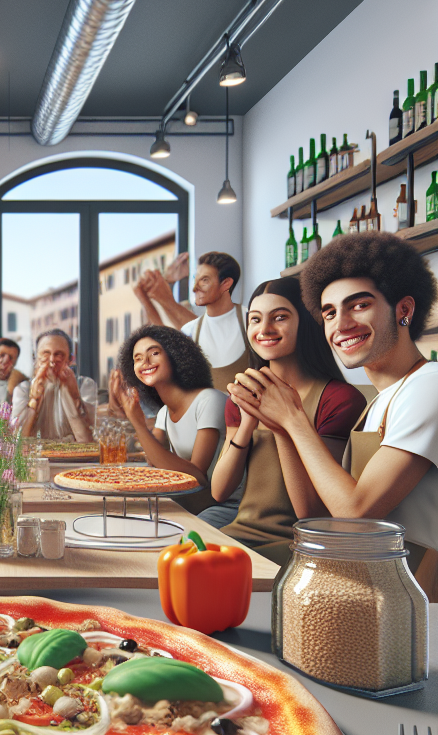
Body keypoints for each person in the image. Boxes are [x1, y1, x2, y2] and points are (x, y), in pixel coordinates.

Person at [229, 234, 438, 590]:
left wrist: (295, 419)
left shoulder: (428, 386)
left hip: (414, 594)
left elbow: (357, 514)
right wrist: (279, 425)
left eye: (358, 305)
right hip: (372, 577)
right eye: (329, 312)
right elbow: (313, 514)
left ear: (404, 310)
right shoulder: (380, 400)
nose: (340, 324)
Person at [211, 276, 366, 567]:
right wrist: (247, 422)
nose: (264, 329)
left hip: (300, 545)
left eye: (279, 317)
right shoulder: (242, 395)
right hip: (237, 536)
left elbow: (312, 513)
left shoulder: (338, 399)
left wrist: (281, 423)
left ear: (306, 323)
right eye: (255, 320)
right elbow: (219, 491)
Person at [110, 324, 233, 520]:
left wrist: (138, 423)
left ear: (175, 356)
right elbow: (156, 461)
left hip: (221, 507)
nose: (146, 362)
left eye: (154, 353)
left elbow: (197, 477)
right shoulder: (164, 413)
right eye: (138, 358)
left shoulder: (209, 401)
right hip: (189, 504)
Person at [134, 252, 248, 393]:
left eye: (204, 280)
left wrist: (163, 295)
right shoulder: (191, 329)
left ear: (226, 284)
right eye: (195, 278)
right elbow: (158, 335)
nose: (195, 288)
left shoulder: (250, 320)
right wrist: (148, 295)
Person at [11, 329, 96, 441]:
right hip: (38, 456)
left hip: (75, 457)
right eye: (46, 354)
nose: (52, 360)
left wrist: (73, 397)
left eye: (59, 355)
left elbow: (89, 441)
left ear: (70, 360)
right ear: (35, 358)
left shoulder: (85, 385)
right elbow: (17, 442)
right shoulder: (23, 389)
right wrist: (34, 402)